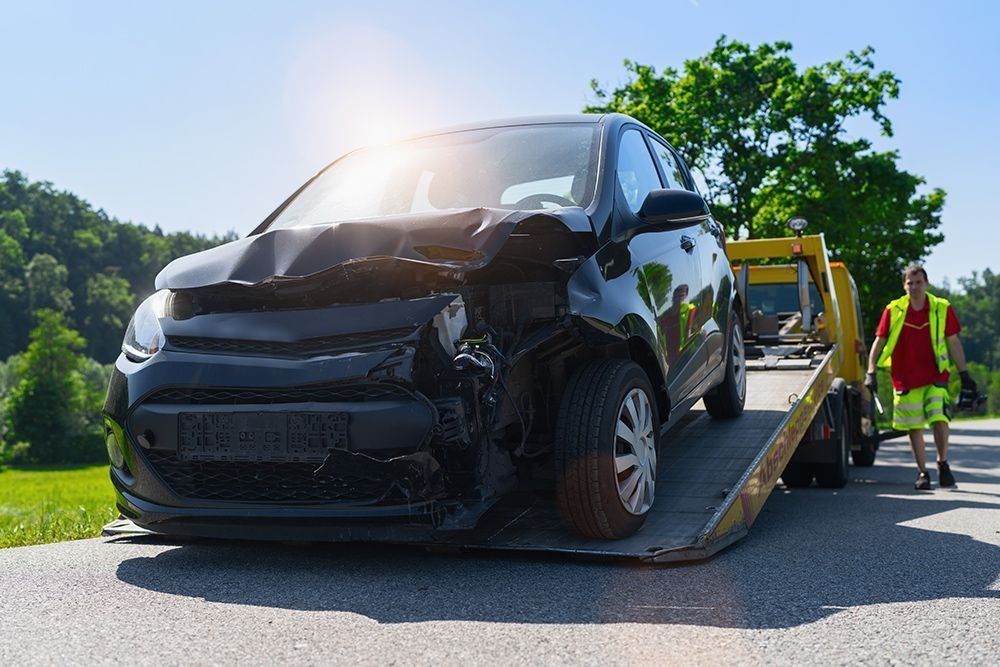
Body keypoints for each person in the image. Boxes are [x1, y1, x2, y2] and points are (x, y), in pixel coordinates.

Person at [865, 263, 976, 489]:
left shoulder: (941, 308)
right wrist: (870, 370)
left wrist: (964, 373)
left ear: (926, 283)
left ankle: (942, 463)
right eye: (910, 283)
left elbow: (953, 341)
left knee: (939, 418)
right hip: (905, 377)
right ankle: (922, 473)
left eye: (918, 282)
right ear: (904, 286)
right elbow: (880, 341)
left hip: (936, 374)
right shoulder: (894, 310)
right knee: (914, 426)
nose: (914, 287)